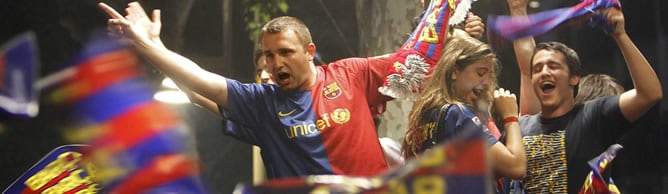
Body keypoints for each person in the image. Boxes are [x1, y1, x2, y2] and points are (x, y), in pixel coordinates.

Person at [507, 0, 663, 192]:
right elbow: (525, 69)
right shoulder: (522, 125)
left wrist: (620, 35)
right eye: (537, 69)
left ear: (574, 78)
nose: (544, 72)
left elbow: (650, 94)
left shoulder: (591, 118)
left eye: (553, 66)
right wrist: (517, 9)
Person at [401, 35, 527, 180]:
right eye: (480, 73)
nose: (486, 82)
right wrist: (510, 117)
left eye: (489, 75)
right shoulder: (458, 114)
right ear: (454, 71)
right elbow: (516, 167)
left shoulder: (425, 114)